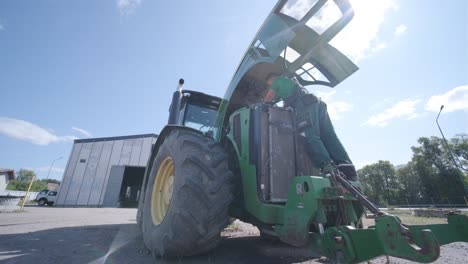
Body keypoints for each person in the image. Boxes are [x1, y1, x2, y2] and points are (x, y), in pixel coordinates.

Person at [264, 74, 357, 181]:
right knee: (328, 135)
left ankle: (327, 167)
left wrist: (263, 104)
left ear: (271, 80)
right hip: (317, 102)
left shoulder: (278, 80)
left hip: (305, 104)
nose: (270, 85)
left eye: (269, 84)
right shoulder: (290, 83)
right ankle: (347, 168)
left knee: (309, 134)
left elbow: (269, 96)